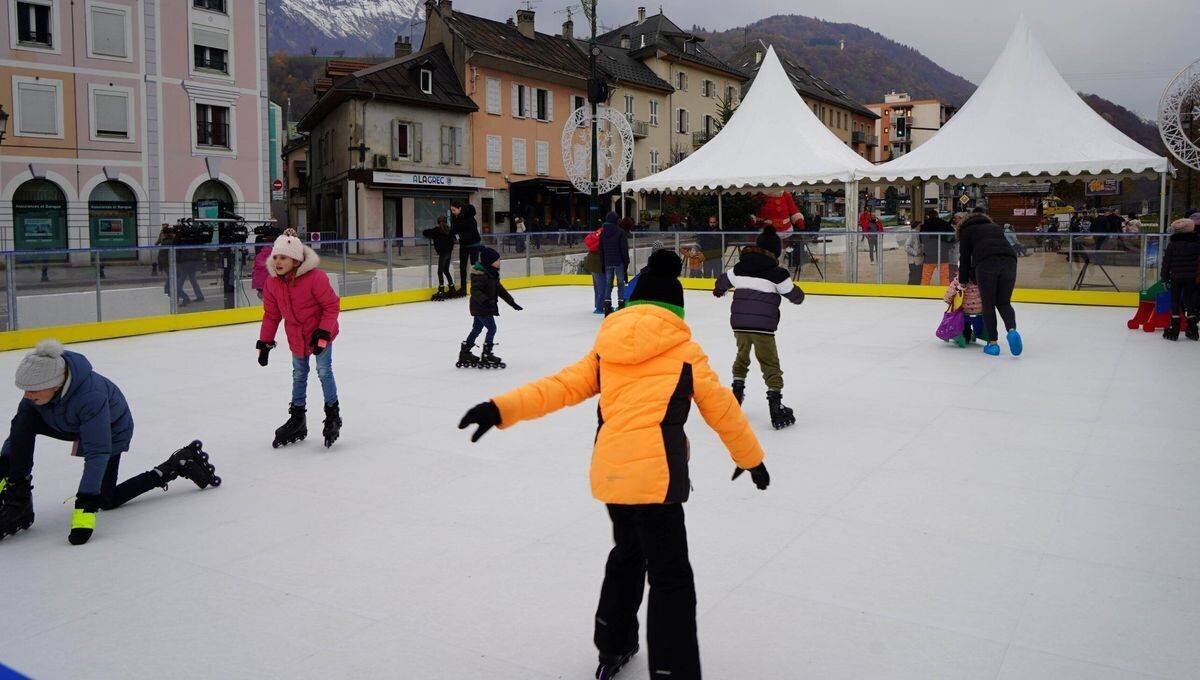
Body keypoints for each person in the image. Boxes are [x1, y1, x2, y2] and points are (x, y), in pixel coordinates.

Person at [457, 250, 768, 680]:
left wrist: (500, 408)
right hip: (658, 481)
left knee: (626, 555)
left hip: (613, 476)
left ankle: (613, 645)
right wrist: (750, 458)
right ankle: (672, 669)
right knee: (670, 575)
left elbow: (560, 387)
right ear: (676, 309)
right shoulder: (685, 352)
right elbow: (723, 411)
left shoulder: (606, 349)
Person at [0, 340, 220, 545]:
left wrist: (85, 506)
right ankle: (18, 499)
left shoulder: (91, 396)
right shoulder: (38, 390)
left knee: (106, 499)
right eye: (25, 390)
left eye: (33, 390)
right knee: (24, 420)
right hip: (67, 423)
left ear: (55, 385)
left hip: (111, 432)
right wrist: (6, 466)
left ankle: (173, 466)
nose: (27, 395)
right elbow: (18, 434)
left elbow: (97, 451)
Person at [257, 229, 342, 448]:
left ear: (295, 260)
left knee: (324, 372)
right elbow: (272, 315)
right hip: (296, 335)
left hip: (320, 334)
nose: (277, 261)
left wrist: (323, 331)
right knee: (298, 374)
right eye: (275, 256)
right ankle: (297, 417)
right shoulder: (273, 283)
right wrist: (265, 342)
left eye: (283, 257)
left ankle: (333, 414)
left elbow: (331, 306)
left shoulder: (316, 278)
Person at [713, 227, 805, 428]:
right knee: (769, 362)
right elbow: (793, 295)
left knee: (741, 356)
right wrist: (800, 296)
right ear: (776, 251)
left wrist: (719, 291)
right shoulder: (777, 273)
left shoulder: (739, 268)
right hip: (763, 327)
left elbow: (721, 282)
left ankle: (736, 395)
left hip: (739, 324)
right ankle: (776, 406)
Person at [957, 212, 1022, 356]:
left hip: (987, 263)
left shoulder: (967, 231)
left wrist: (962, 282)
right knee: (1004, 302)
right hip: (1010, 260)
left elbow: (965, 259)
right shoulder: (993, 226)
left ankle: (993, 344)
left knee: (988, 304)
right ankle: (1012, 330)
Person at [457, 247, 522, 368]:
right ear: (489, 262)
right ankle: (486, 354)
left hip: (482, 308)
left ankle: (465, 352)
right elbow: (474, 290)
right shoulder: (481, 275)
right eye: (497, 260)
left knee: (476, 329)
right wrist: (485, 300)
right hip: (482, 308)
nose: (499, 262)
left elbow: (501, 291)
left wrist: (512, 303)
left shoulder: (492, 274)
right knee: (492, 328)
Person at [1159, 218, 1200, 341]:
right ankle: (1193, 328)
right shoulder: (1197, 244)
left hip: (1176, 277)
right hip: (1191, 278)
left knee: (1175, 301)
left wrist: (1164, 278)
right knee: (1189, 302)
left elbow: (1166, 263)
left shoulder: (1173, 245)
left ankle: (1174, 328)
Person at [599, 211, 629, 314]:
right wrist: (626, 262)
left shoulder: (602, 233)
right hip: (619, 261)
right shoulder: (620, 232)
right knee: (621, 283)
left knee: (608, 283)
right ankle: (621, 304)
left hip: (607, 262)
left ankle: (607, 305)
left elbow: (601, 250)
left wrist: (602, 263)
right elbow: (624, 249)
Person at [423, 215, 458, 300]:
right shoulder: (450, 230)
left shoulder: (436, 230)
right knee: (445, 270)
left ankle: (441, 290)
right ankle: (452, 287)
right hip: (449, 253)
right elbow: (455, 238)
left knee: (440, 271)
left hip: (443, 253)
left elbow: (425, 232)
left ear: (438, 222)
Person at [452, 202, 482, 296]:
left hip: (473, 245)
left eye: (454, 210)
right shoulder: (456, 219)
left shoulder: (471, 220)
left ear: (460, 209)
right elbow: (455, 231)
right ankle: (463, 289)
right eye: (451, 210)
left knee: (474, 267)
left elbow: (471, 233)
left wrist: (460, 236)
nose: (453, 212)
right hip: (464, 245)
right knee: (462, 267)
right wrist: (454, 236)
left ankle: (477, 287)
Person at [919, 209, 953, 285]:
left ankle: (923, 293)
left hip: (929, 254)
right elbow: (954, 236)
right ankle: (945, 293)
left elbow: (921, 240)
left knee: (926, 276)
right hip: (943, 253)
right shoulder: (945, 224)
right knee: (944, 276)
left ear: (929, 216)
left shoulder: (924, 225)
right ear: (937, 215)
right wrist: (948, 245)